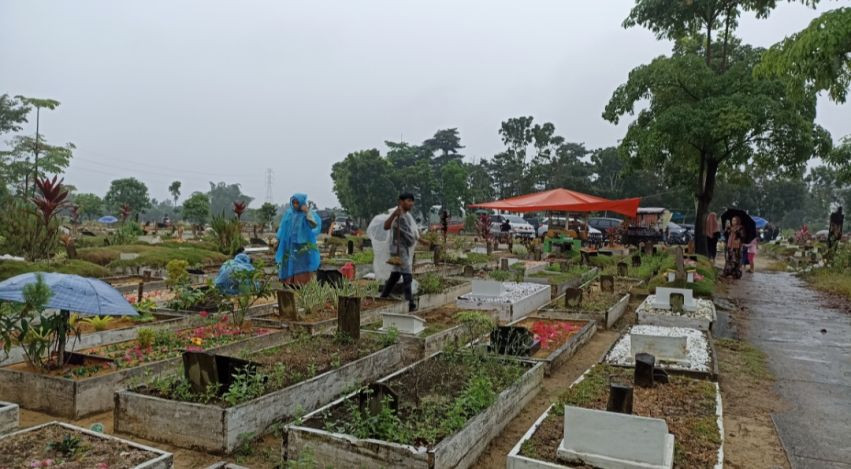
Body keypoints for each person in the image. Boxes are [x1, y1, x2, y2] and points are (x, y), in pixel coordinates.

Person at [380, 193, 420, 312]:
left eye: (412, 201)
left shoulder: (405, 215)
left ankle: (383, 296)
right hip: (400, 250)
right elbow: (387, 226)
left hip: (401, 249)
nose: (411, 203)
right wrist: (393, 215)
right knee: (407, 274)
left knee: (396, 274)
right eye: (408, 201)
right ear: (401, 201)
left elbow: (410, 233)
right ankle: (410, 302)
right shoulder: (399, 215)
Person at [276, 193, 322, 285]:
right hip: (289, 244)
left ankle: (301, 283)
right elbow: (283, 227)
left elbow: (314, 225)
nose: (295, 205)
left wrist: (307, 212)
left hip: (302, 244)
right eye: (294, 202)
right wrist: (279, 239)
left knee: (302, 265)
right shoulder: (289, 214)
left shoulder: (308, 214)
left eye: (297, 202)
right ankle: (289, 283)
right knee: (289, 262)